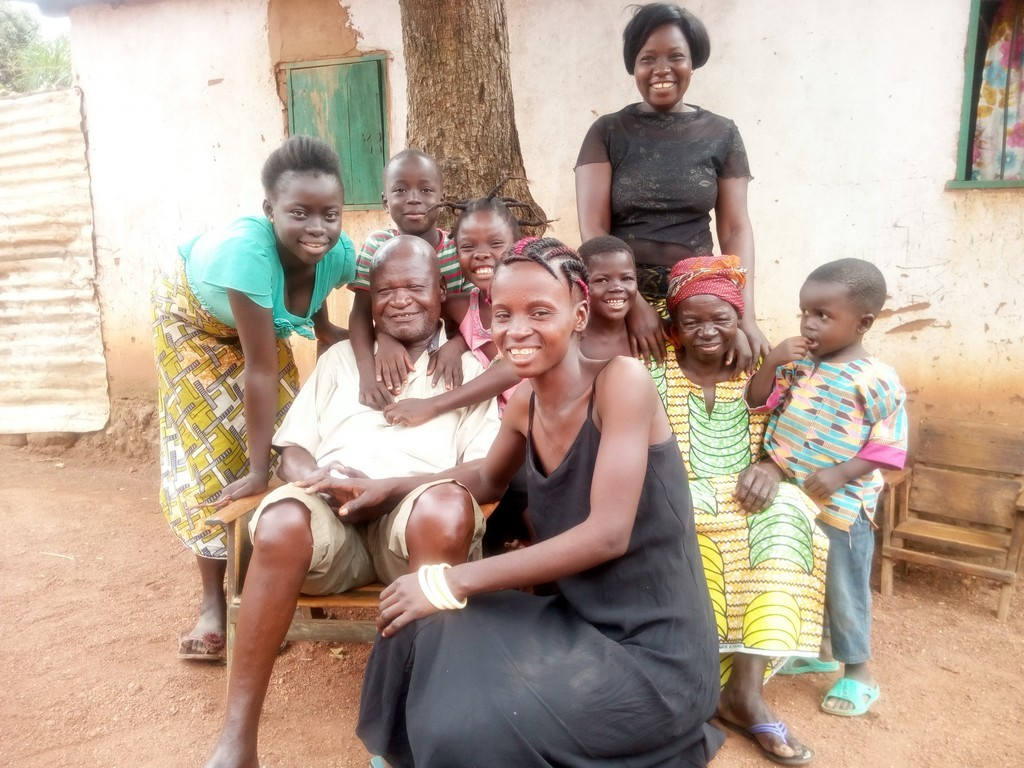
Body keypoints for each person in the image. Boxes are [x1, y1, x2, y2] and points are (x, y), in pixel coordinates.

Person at [309, 238, 723, 767]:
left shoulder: (622, 382)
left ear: (578, 314)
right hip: (576, 620)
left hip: (654, 655)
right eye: (503, 314)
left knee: (466, 727)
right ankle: (401, 754)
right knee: (415, 621)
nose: (517, 330)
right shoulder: (526, 399)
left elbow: (607, 534)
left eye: (540, 312)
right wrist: (388, 486)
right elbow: (486, 478)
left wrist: (449, 581)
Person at [202, 236, 501, 768]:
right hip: (332, 516)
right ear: (370, 300)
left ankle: (412, 734)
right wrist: (318, 479)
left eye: (415, 287)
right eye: (386, 291)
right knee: (281, 519)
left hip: (411, 522)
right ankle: (236, 739)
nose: (401, 300)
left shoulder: (470, 371)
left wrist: (390, 488)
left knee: (446, 509)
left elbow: (483, 474)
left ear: (440, 292)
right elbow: (294, 450)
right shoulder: (341, 361)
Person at [151, 135, 355, 663]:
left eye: (330, 214)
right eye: (299, 213)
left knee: (295, 439)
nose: (317, 227)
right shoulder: (246, 253)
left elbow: (324, 294)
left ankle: (277, 587)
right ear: (270, 210)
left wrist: (328, 329)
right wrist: (259, 470)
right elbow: (260, 371)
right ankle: (214, 604)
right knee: (217, 454)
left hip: (258, 328)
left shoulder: (339, 252)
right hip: (194, 323)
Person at [658, 256, 828, 765]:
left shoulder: (761, 368)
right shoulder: (648, 369)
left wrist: (772, 469)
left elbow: (794, 432)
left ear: (739, 320)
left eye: (721, 319)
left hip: (744, 493)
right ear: (674, 325)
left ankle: (745, 692)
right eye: (691, 321)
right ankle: (699, 682)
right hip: (673, 494)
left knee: (789, 512)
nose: (707, 331)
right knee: (694, 529)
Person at [746, 257, 908, 719]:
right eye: (805, 312)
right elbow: (759, 404)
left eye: (823, 315)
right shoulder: (798, 365)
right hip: (796, 497)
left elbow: (891, 445)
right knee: (809, 574)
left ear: (863, 323)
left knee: (844, 585)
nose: (809, 324)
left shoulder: (875, 379)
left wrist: (841, 472)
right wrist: (772, 361)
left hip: (843, 505)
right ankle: (820, 652)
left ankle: (858, 672)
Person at [575, 2, 769, 368]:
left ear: (692, 63)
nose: (661, 69)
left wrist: (744, 315)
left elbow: (735, 228)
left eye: (676, 57)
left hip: (698, 296)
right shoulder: (607, 131)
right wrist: (634, 303)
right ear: (633, 66)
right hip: (620, 292)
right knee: (619, 381)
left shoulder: (722, 133)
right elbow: (594, 230)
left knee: (740, 370)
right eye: (647, 59)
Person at [380, 184, 542, 427]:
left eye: (495, 243)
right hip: (498, 425)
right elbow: (408, 311)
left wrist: (432, 405)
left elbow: (512, 370)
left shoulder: (531, 303)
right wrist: (386, 340)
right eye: (468, 246)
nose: (481, 254)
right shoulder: (465, 307)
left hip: (541, 421)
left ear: (518, 245)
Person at [348, 149, 469, 410]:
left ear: (442, 199)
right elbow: (360, 312)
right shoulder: (377, 245)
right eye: (400, 190)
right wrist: (369, 369)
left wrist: (458, 346)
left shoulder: (459, 250)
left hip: (441, 354)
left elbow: (477, 315)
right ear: (385, 201)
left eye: (425, 190)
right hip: (390, 348)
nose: (413, 199)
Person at [578, 235, 639, 359]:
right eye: (602, 280)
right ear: (581, 284)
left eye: (626, 278)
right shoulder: (572, 342)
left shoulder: (645, 335)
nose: (617, 287)